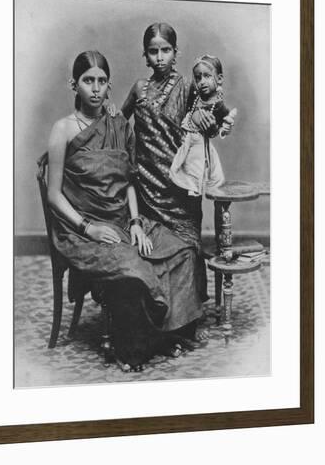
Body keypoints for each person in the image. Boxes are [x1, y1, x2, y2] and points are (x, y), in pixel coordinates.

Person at [47, 50, 206, 371]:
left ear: (109, 86)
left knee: (183, 251)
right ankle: (137, 348)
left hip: (124, 219)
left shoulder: (118, 124)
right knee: (133, 269)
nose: (95, 88)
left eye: (101, 81)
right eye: (87, 81)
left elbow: (129, 180)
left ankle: (165, 334)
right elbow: (53, 195)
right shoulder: (62, 130)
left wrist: (135, 222)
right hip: (84, 229)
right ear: (73, 85)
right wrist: (87, 228)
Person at [121, 23, 232, 342]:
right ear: (145, 55)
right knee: (150, 253)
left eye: (165, 50)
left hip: (179, 191)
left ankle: (185, 322)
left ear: (175, 52)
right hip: (146, 191)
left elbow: (211, 119)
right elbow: (118, 122)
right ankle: (158, 322)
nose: (159, 57)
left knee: (186, 250)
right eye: (153, 51)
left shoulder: (188, 87)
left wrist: (205, 120)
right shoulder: (139, 88)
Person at [169, 55, 237, 195]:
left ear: (219, 79)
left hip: (200, 146)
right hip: (187, 143)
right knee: (181, 169)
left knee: (196, 172)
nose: (202, 82)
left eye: (207, 76)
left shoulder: (218, 106)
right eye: (198, 78)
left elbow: (220, 130)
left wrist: (225, 128)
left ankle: (194, 194)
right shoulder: (195, 97)